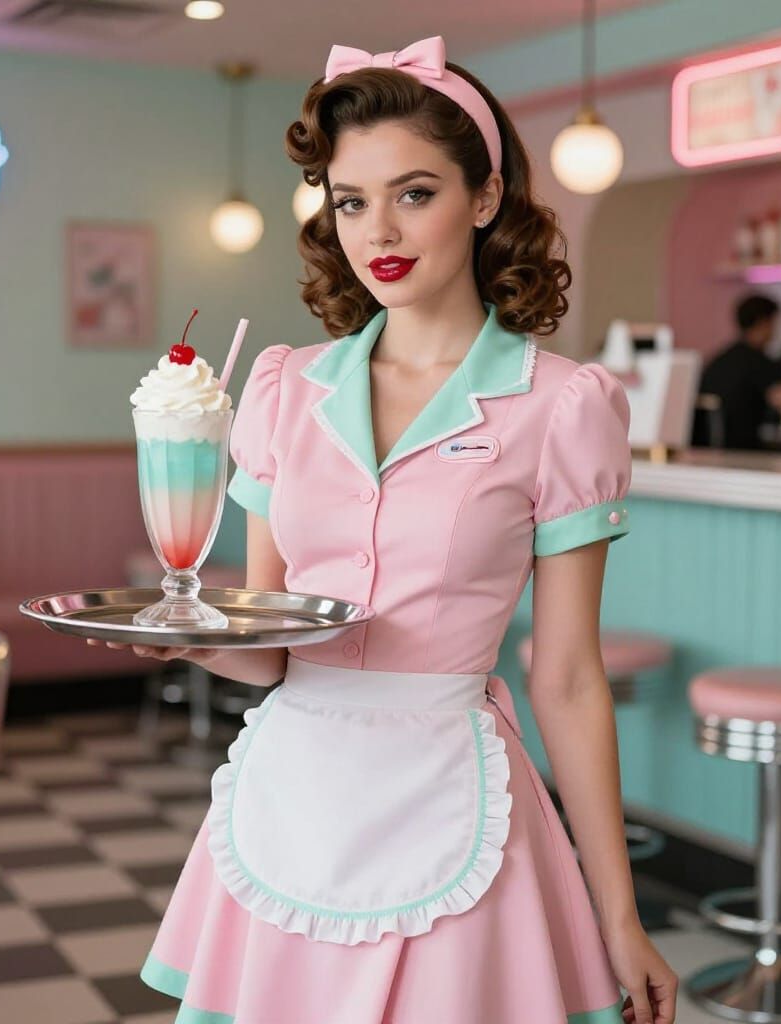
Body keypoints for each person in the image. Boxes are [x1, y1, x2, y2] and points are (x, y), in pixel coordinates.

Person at [92, 34, 676, 1024]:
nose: (377, 230)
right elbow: (268, 643)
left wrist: (618, 914)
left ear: (483, 198)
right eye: (351, 199)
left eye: (414, 192)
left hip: (457, 802)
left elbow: (567, 675)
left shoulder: (562, 405)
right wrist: (176, 632)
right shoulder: (284, 388)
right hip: (293, 796)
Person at [693, 293, 781, 450]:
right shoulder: (756, 361)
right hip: (740, 451)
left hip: (706, 449)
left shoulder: (720, 359)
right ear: (764, 323)